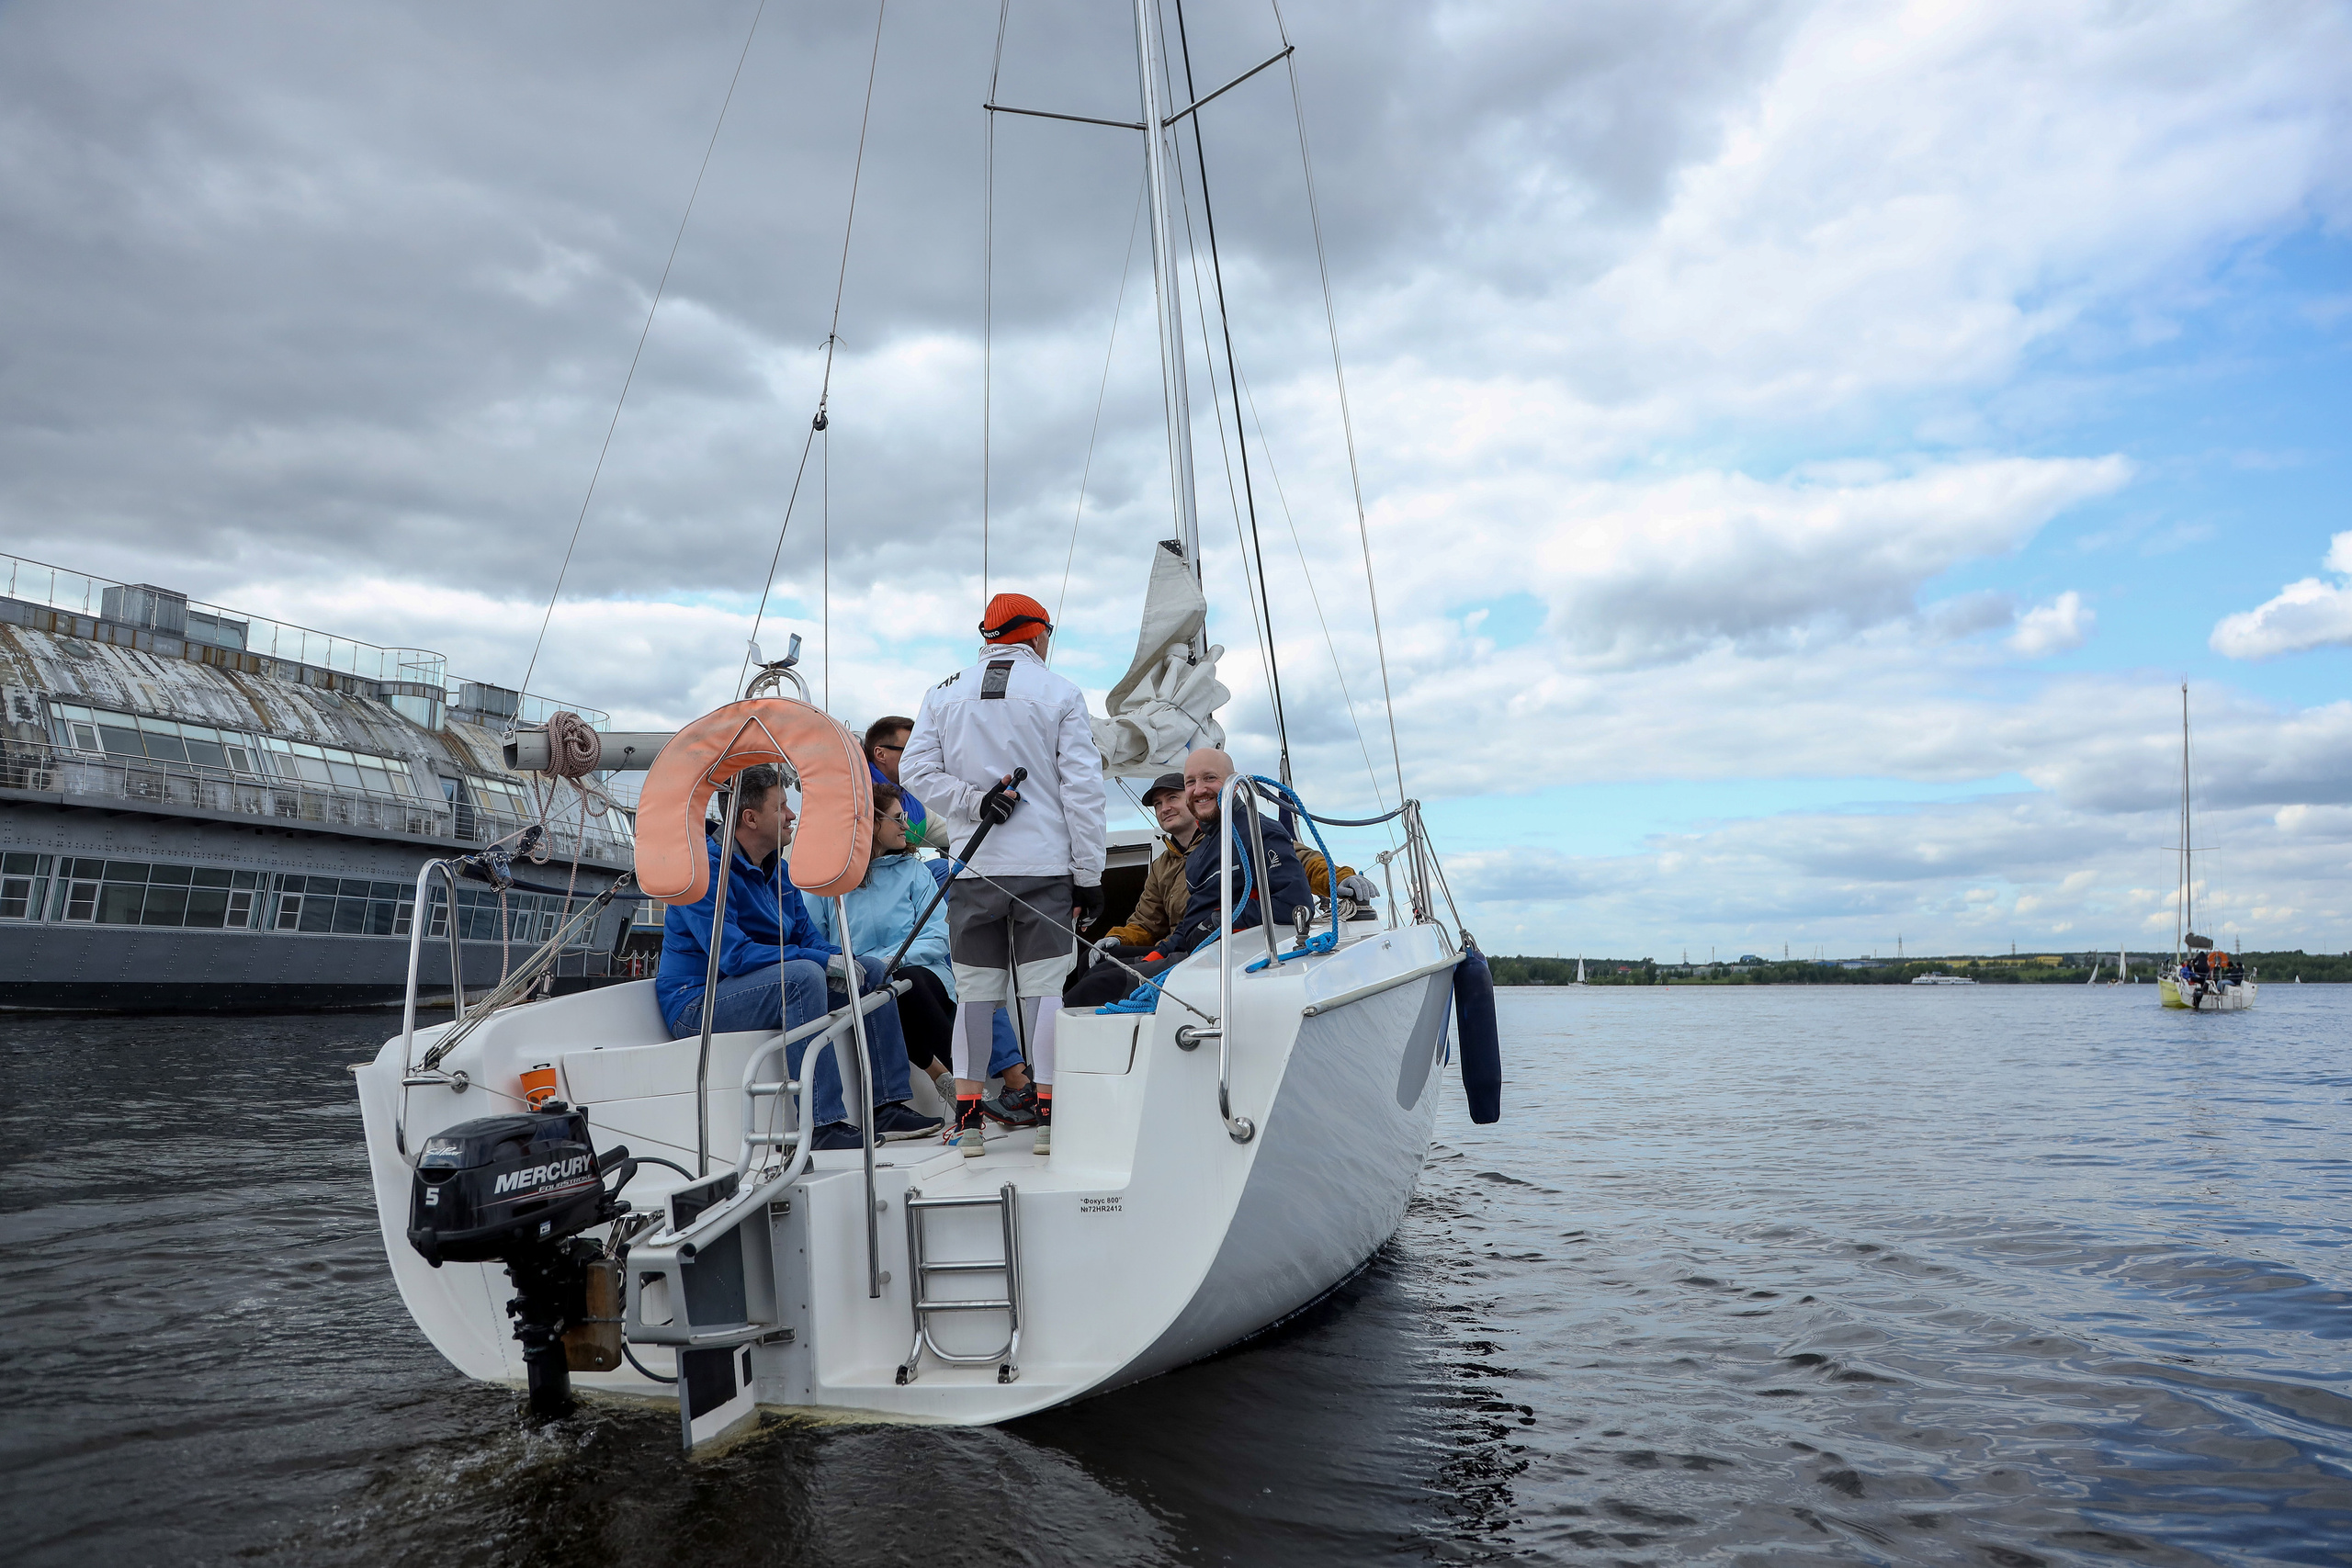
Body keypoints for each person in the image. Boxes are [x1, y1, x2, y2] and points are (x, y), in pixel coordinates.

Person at [902, 591, 1107, 1157]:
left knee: (975, 998)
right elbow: (1083, 792)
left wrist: (972, 801)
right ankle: (1047, 1119)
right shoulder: (1060, 693)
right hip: (1044, 869)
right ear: (1037, 634)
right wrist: (1089, 874)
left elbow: (916, 770)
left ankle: (970, 1127)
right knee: (1044, 995)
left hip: (976, 871)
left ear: (990, 637)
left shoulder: (943, 694)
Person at [653, 763, 940, 1149]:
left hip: (754, 989)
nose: (792, 816)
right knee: (803, 976)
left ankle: (887, 1104)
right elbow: (734, 956)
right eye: (782, 807)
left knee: (872, 971)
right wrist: (821, 963)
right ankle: (821, 1125)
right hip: (697, 1004)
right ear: (751, 818)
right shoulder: (704, 872)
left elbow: (807, 936)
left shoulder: (781, 872)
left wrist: (842, 960)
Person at [1064, 747, 1317, 1010]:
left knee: (1093, 989)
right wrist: (1151, 953)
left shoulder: (1257, 831)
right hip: (1195, 954)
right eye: (1191, 782)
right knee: (1096, 969)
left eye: (1210, 778)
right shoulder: (1198, 855)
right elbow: (1181, 924)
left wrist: (1222, 919)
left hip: (1226, 959)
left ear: (1233, 781)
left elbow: (1295, 895)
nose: (1199, 789)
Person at [865, 715, 951, 851]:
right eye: (910, 751)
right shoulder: (858, 798)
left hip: (902, 870)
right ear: (880, 754)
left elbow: (951, 835)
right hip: (870, 871)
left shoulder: (915, 803)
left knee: (942, 867)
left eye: (920, 752)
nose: (919, 759)